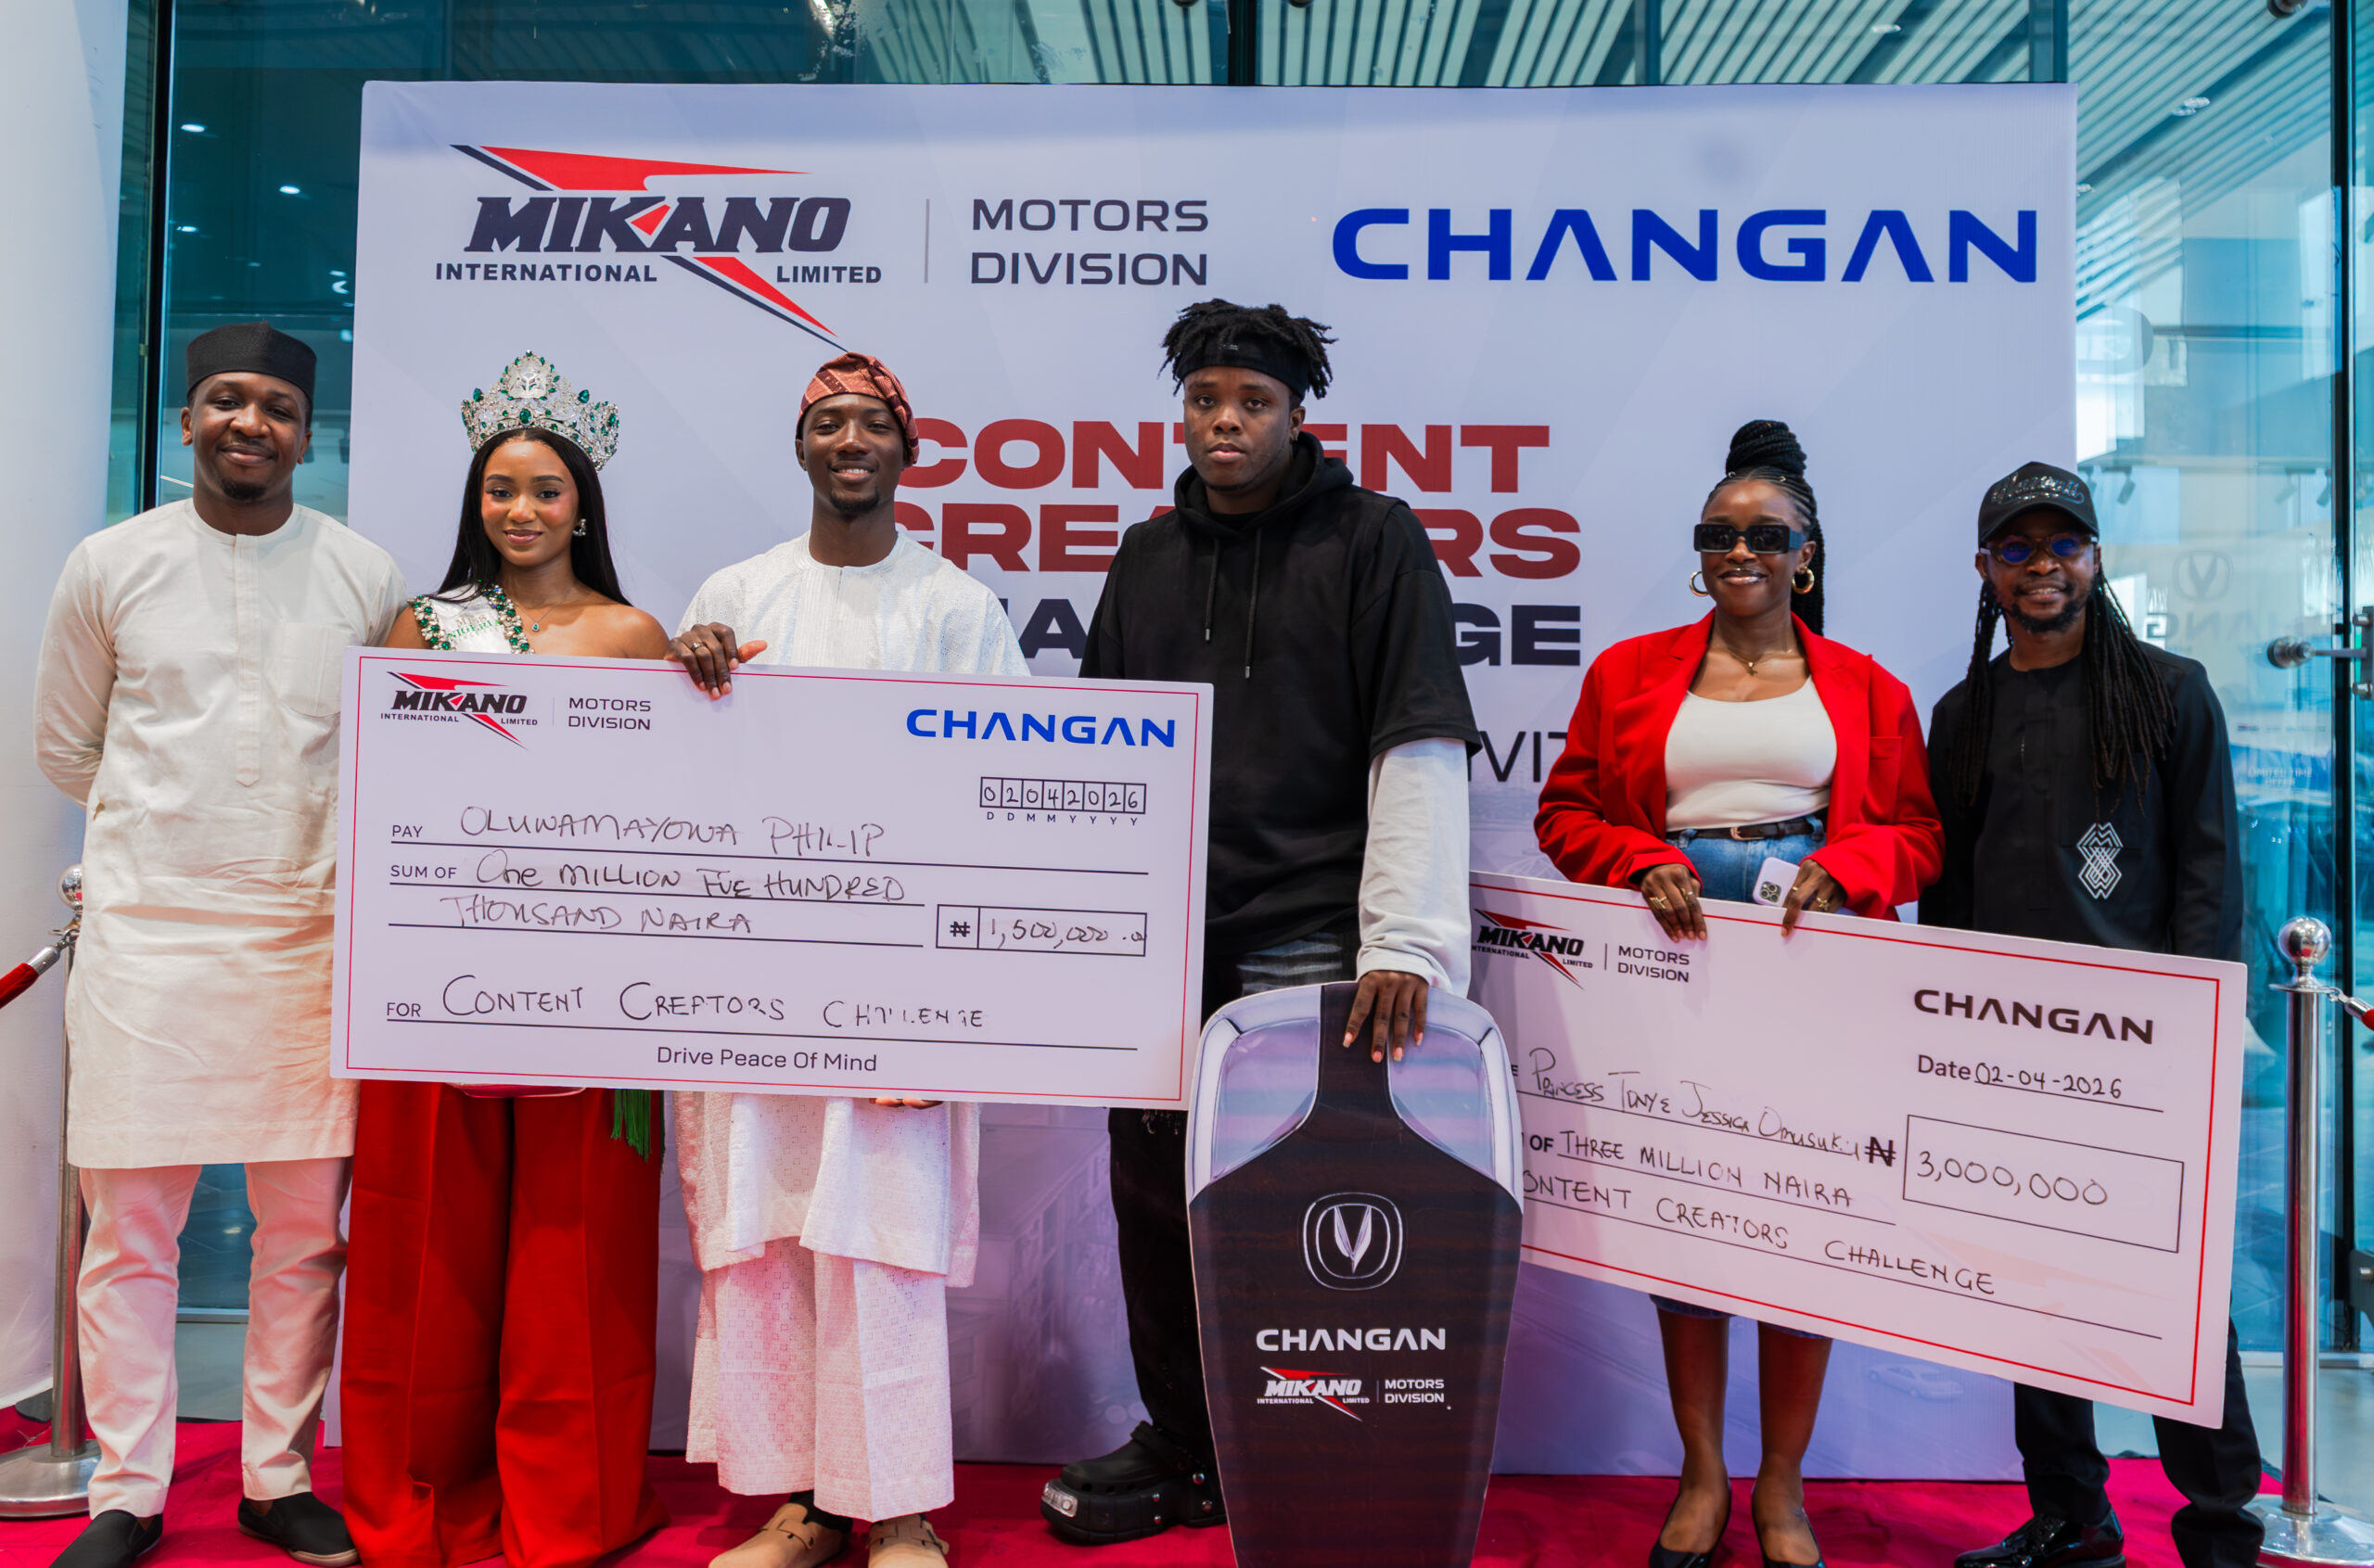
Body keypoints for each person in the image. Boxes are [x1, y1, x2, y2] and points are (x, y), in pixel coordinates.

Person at [1040, 300, 1480, 1546]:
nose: (1224, 422)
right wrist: (1092, 938)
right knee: (1153, 1202)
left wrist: (1404, 942)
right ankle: (1188, 1445)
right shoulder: (1144, 555)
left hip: (1312, 935)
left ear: (1298, 415)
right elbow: (1102, 756)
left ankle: (1307, 1438)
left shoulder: (1374, 538)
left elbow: (1418, 732)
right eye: (1204, 400)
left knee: (1300, 1211)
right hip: (1166, 943)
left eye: (1252, 402)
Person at [1534, 420, 1944, 1568]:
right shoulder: (1626, 672)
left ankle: (1783, 1483)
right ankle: (1703, 1472)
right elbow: (1564, 813)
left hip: (1820, 964)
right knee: (1687, 1219)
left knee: (1807, 1219)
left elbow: (1918, 835)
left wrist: (1850, 865)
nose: (1739, 550)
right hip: (1671, 963)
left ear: (1806, 555)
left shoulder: (1870, 687)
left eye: (1765, 535)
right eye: (1717, 534)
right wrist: (1636, 857)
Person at [32, 322, 409, 1568]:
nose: (253, 423)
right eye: (228, 400)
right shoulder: (112, 561)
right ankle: (128, 1490)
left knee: (303, 1235)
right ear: (188, 416)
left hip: (310, 939)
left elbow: (390, 748)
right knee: (131, 1233)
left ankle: (274, 1474)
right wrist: (170, 839)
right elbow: (68, 741)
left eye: (279, 407)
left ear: (308, 431)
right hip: (150, 941)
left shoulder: (363, 572)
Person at [666, 351, 1026, 1568]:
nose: (851, 440)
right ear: (802, 446)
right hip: (755, 962)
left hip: (897, 971)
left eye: (874, 422)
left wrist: (950, 1004)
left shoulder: (957, 607)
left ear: (908, 452)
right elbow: (680, 774)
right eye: (829, 422)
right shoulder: (736, 592)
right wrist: (689, 673)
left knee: (882, 1238)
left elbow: (1008, 794)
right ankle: (804, 1503)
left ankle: (903, 1506)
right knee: (768, 1235)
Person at [338, 351, 672, 1568]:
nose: (520, 509)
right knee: (427, 1249)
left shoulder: (634, 634)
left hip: (590, 985)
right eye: (499, 489)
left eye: (544, 489)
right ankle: (423, 1492)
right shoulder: (422, 628)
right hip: (442, 977)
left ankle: (567, 1504)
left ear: (583, 504)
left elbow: (676, 809)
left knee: (575, 1256)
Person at [1928, 464, 2262, 1568]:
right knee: (2035, 1292)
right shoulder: (1963, 714)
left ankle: (2220, 1528)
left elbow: (2210, 877)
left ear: (2096, 557)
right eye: (2016, 547)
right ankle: (2072, 1518)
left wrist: (2192, 1040)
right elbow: (1950, 895)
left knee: (2173, 1296)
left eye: (2061, 543)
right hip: (2006, 1054)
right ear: (1985, 569)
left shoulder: (2170, 692)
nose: (2041, 564)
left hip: (2143, 1054)